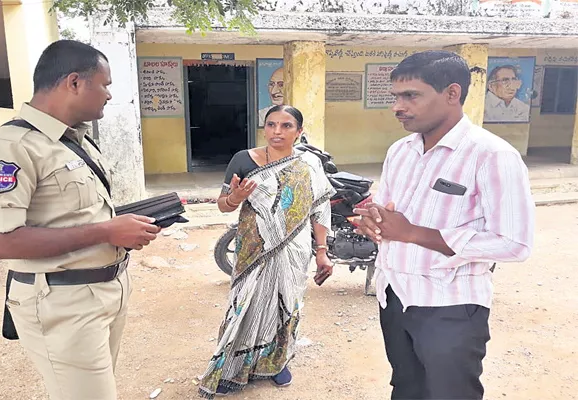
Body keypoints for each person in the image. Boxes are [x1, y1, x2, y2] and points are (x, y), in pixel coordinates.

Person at [0, 40, 161, 400]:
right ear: (74, 82)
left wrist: (121, 226)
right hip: (62, 299)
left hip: (105, 289)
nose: (109, 95)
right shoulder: (8, 148)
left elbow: (78, 213)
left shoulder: (78, 142)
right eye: (105, 84)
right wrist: (106, 230)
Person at [353, 50, 535, 400]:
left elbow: (515, 243)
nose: (398, 106)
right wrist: (376, 226)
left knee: (450, 394)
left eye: (411, 96)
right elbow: (390, 215)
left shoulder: (492, 155)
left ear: (452, 94)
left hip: (450, 306)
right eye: (396, 96)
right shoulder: (400, 151)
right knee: (406, 389)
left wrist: (412, 233)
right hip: (395, 297)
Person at [199, 105, 336, 398]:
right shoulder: (243, 159)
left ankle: (276, 363)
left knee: (287, 302)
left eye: (286, 126)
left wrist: (322, 251)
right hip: (253, 248)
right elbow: (223, 204)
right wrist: (234, 197)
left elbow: (320, 207)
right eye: (271, 125)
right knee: (244, 304)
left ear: (299, 132)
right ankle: (231, 367)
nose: (277, 131)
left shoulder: (309, 163)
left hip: (294, 248)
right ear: (264, 128)